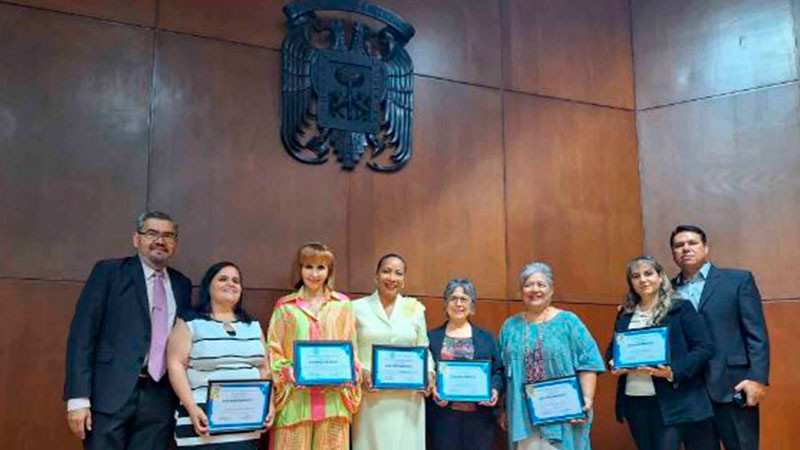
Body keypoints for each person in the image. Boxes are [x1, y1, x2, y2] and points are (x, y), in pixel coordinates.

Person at [64, 211, 192, 450]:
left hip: (160, 399)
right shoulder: (109, 273)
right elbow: (82, 336)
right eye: (152, 233)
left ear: (175, 243)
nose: (160, 241)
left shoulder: (182, 284)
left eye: (168, 235)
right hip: (110, 394)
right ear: (136, 238)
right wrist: (77, 399)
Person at [669, 225, 769, 450]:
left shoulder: (737, 280)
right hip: (689, 391)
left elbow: (756, 333)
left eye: (692, 243)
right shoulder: (664, 290)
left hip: (734, 384)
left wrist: (757, 378)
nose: (686, 248)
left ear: (705, 248)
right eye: (679, 245)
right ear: (673, 254)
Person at [607, 257, 715, 450]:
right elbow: (613, 348)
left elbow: (704, 347)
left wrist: (672, 371)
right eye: (636, 276)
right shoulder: (625, 313)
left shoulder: (681, 308)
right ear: (631, 283)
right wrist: (613, 362)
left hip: (671, 399)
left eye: (648, 273)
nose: (643, 280)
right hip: (634, 399)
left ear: (660, 277)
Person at [499, 262, 605, 450]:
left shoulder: (568, 321)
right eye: (528, 285)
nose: (535, 289)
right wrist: (503, 409)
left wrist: (586, 400)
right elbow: (502, 369)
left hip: (563, 413)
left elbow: (589, 362)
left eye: (541, 284)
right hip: (523, 414)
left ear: (551, 290)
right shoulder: (510, 326)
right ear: (521, 291)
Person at [167, 261, 273, 448]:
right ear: (208, 286)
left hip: (246, 423)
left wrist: (269, 404)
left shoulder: (252, 325)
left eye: (236, 280)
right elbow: (175, 365)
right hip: (202, 420)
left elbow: (264, 368)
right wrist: (191, 408)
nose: (230, 284)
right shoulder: (190, 321)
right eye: (223, 279)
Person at [266, 242, 361, 450]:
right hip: (295, 401)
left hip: (333, 402)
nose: (314, 274)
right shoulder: (285, 307)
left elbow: (351, 351)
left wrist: (348, 373)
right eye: (308, 266)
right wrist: (286, 371)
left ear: (329, 271)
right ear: (300, 269)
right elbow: (272, 351)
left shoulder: (343, 305)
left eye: (321, 267)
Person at [351, 253, 434, 450]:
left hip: (408, 398)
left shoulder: (415, 308)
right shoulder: (356, 308)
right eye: (386, 271)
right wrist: (361, 371)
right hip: (371, 395)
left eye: (398, 273)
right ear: (376, 276)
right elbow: (350, 349)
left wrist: (429, 373)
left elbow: (424, 348)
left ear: (404, 280)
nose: (392, 278)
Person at [427, 279, 504, 450]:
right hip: (443, 420)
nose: (458, 303)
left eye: (464, 299)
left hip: (479, 421)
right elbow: (427, 372)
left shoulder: (487, 338)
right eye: (453, 298)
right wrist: (432, 388)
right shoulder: (431, 338)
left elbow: (498, 371)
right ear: (445, 303)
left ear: (472, 305)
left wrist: (494, 390)